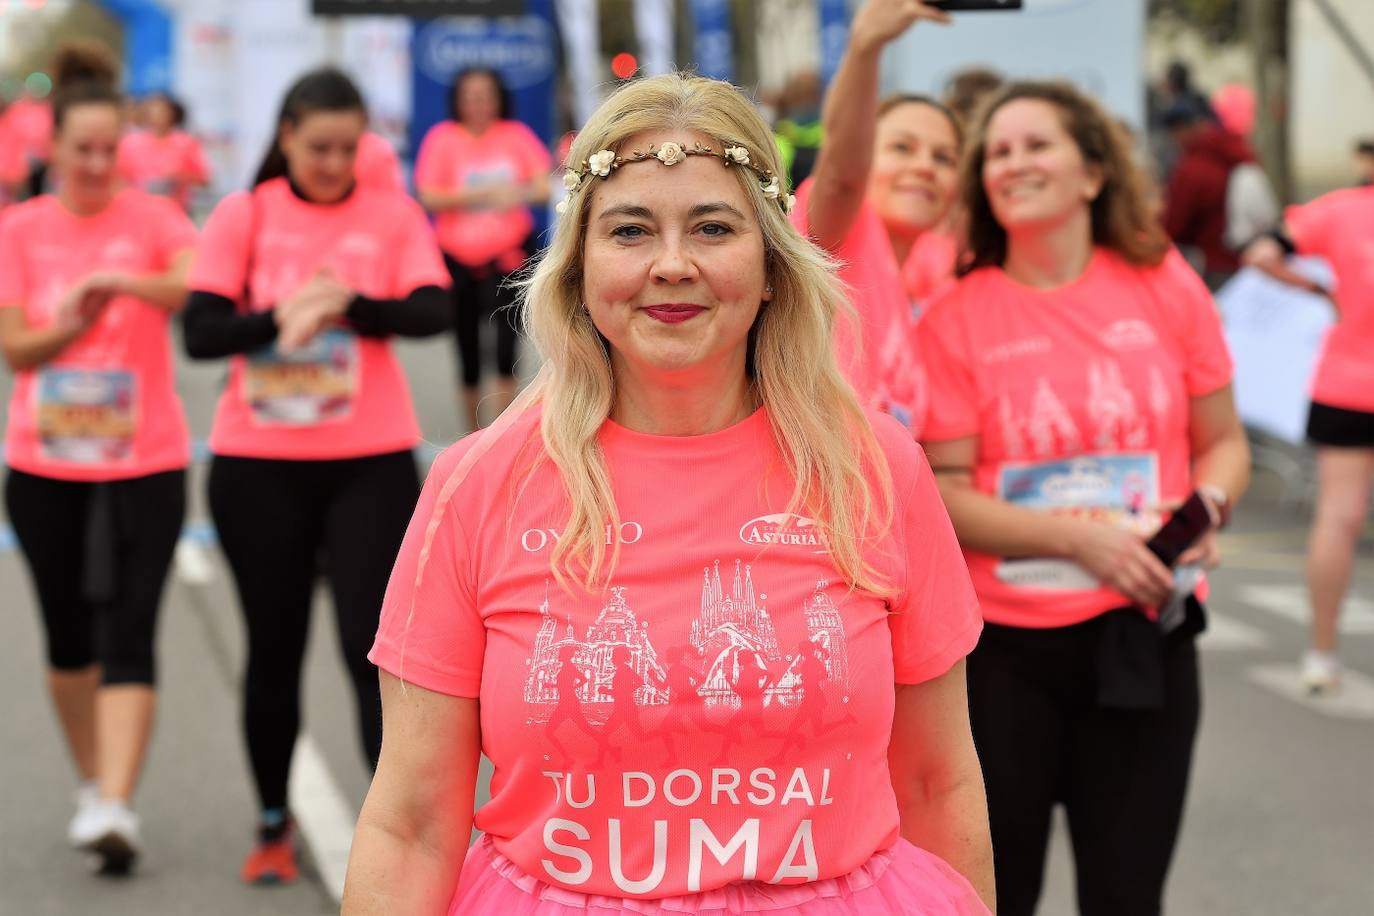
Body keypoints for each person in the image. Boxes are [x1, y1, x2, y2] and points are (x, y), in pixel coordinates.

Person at [342, 72, 995, 915]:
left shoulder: (876, 469)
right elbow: (412, 822)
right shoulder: (478, 483)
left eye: (714, 227)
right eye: (631, 231)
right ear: (579, 270)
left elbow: (939, 783)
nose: (673, 264)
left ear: (770, 267)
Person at [918, 81, 1251, 916]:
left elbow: (1224, 442)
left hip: (1144, 637)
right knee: (1000, 897)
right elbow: (943, 493)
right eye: (997, 151)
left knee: (1127, 896)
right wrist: (1082, 542)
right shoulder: (954, 319)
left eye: (1037, 145)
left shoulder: (1164, 284)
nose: (1014, 163)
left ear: (1094, 172)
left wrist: (1204, 511)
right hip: (1002, 657)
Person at [181, 67, 450, 884]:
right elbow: (200, 331)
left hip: (368, 464)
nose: (334, 163)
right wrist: (281, 316)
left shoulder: (391, 213)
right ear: (288, 137)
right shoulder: (246, 213)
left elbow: (432, 309)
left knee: (373, 654)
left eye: (348, 147)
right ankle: (272, 820)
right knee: (275, 645)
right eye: (318, 147)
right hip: (259, 466)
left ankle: (392, 828)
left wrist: (350, 306)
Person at [0, 71, 196, 876]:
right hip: (45, 462)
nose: (94, 162)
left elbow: (192, 286)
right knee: (69, 638)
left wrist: (122, 281)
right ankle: (92, 783)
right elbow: (15, 348)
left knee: (130, 630)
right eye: (81, 148)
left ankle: (116, 802)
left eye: (109, 149)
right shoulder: (20, 230)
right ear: (52, 148)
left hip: (143, 460)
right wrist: (69, 324)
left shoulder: (152, 216)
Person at [793, 0, 962, 433]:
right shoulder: (838, 233)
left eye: (944, 158)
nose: (925, 166)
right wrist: (865, 48)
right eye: (901, 148)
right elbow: (842, 178)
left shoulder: (939, 280)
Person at [1242, 186, 1374, 693]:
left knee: (1338, 517)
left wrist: (1319, 291)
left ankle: (1323, 654)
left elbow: (1260, 254)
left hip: (1345, 382)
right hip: (1346, 382)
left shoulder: (1338, 209)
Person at [415, 66, 552, 431]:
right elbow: (428, 195)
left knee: (507, 350)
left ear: (498, 98)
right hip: (457, 262)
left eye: (485, 94)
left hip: (507, 258)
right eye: (470, 95)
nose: (478, 103)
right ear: (458, 100)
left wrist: (517, 193)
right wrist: (481, 194)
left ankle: (500, 435)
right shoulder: (442, 139)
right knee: (467, 350)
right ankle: (471, 436)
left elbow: (542, 186)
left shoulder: (515, 136)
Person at [1161, 100, 1265, 289]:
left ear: (1183, 129)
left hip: (1214, 265)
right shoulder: (1238, 153)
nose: (1175, 140)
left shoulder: (1193, 169)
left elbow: (1174, 225)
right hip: (1251, 257)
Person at [116, 91, 211, 212]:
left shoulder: (186, 142)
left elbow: (205, 178)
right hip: (138, 211)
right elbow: (118, 179)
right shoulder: (129, 143)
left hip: (176, 211)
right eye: (152, 110)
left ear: (172, 113)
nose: (157, 115)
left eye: (162, 110)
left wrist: (180, 178)